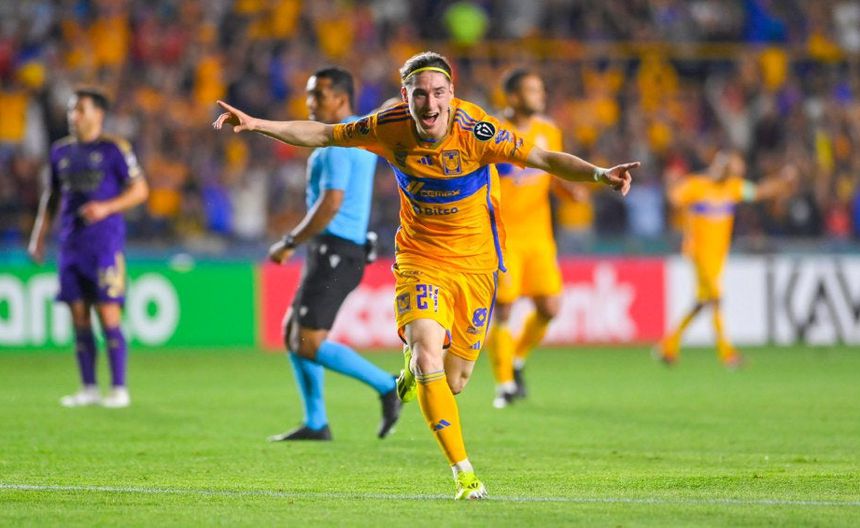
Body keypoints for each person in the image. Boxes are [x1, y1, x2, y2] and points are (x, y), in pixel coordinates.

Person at [214, 51, 638, 500]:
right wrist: (256, 124)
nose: (430, 103)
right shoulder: (387, 125)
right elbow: (322, 133)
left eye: (438, 93)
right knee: (426, 356)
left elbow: (544, 158)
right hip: (420, 259)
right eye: (420, 94)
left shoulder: (478, 131)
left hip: (475, 265)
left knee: (454, 382)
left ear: (451, 94)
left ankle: (417, 375)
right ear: (406, 96)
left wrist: (599, 174)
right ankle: (464, 474)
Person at [265, 67, 402, 442]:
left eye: (319, 95)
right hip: (339, 250)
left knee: (306, 341)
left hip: (336, 250)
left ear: (341, 99)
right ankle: (316, 422)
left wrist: (289, 242)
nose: (310, 102)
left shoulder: (338, 144)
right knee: (292, 332)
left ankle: (386, 385)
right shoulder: (363, 131)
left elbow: (330, 204)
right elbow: (392, 105)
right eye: (309, 94)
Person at [28, 87, 149, 408]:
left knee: (108, 315)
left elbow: (140, 190)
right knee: (79, 317)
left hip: (104, 245)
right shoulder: (60, 152)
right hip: (71, 245)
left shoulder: (114, 149)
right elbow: (52, 196)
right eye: (72, 110)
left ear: (99, 114)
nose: (74, 116)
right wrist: (38, 235)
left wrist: (106, 208)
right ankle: (89, 388)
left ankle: (119, 389)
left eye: (80, 109)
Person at [486, 68, 582, 408]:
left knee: (550, 307)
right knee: (504, 308)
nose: (541, 96)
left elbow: (554, 172)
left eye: (541, 89)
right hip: (503, 237)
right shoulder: (491, 130)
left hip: (539, 236)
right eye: (532, 90)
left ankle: (516, 358)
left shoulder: (549, 131)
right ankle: (504, 385)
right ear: (513, 97)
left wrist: (569, 191)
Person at [654, 151, 796, 368]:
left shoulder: (732, 187)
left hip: (719, 257)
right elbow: (674, 199)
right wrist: (671, 182)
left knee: (702, 303)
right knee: (716, 299)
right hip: (700, 254)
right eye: (733, 170)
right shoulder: (696, 185)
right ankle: (727, 354)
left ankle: (668, 345)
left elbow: (759, 191)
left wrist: (782, 181)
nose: (735, 174)